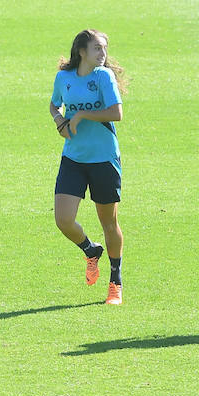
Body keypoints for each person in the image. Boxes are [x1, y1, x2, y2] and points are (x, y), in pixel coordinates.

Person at [48, 29, 127, 305]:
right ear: (82, 51)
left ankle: (115, 281)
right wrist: (60, 120)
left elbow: (117, 113)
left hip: (104, 159)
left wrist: (81, 114)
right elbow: (53, 104)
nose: (102, 54)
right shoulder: (64, 78)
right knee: (63, 220)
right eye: (97, 48)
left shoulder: (103, 76)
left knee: (109, 222)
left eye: (104, 48)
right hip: (73, 158)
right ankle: (90, 249)